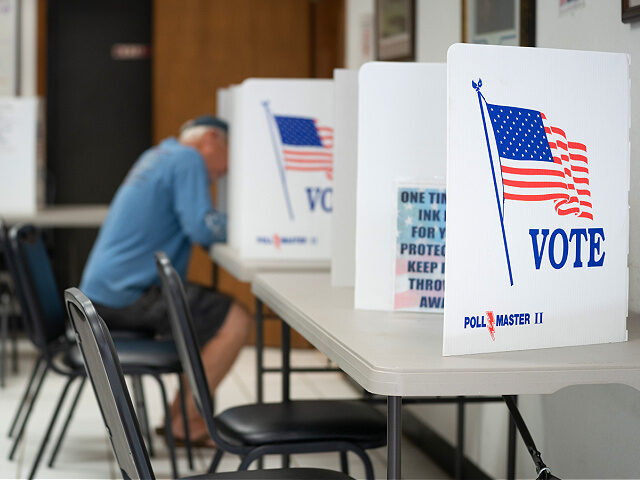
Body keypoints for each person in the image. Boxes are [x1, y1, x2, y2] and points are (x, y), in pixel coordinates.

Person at [80, 115, 251, 446]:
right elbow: (201, 228)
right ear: (212, 139)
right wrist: (252, 225)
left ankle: (180, 418)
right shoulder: (188, 159)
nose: (224, 173)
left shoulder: (159, 155)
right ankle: (187, 422)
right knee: (236, 321)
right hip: (127, 294)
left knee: (205, 319)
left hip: (101, 294)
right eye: (229, 158)